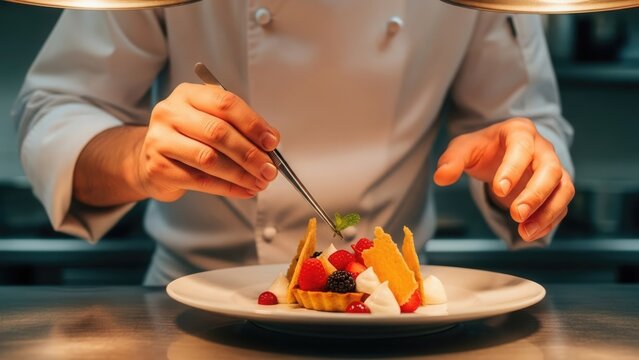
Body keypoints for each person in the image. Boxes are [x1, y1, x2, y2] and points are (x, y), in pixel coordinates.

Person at [13, 2, 575, 285]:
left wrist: (524, 174)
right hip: (195, 306)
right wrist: (138, 159)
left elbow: (525, 123)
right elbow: (57, 113)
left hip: (394, 311)